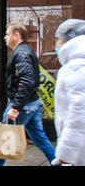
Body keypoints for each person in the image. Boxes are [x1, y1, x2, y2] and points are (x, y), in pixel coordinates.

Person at [0, 22, 55, 166]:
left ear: (17, 35)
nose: (5, 37)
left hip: (23, 106)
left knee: (4, 142)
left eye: (7, 34)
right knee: (41, 140)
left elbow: (26, 81)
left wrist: (15, 107)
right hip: (32, 103)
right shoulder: (23, 52)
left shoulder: (22, 53)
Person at [51, 19, 85, 166]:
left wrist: (65, 155)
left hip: (78, 154)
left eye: (58, 40)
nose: (56, 45)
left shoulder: (77, 66)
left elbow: (80, 115)